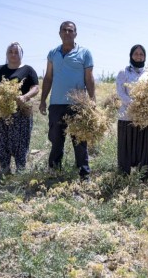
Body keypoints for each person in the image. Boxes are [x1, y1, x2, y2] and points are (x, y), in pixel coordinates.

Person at [39, 21, 95, 181]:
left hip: (78, 104)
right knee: (56, 139)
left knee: (79, 139)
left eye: (70, 30)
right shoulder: (53, 53)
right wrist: (43, 100)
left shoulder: (85, 53)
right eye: (64, 30)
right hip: (56, 104)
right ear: (59, 33)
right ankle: (54, 171)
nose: (67, 33)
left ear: (76, 34)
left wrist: (92, 100)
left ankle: (84, 175)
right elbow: (48, 77)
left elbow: (89, 78)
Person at [0, 42, 39, 174]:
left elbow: (35, 88)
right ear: (6, 54)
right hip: (0, 110)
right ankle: (5, 167)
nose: (13, 54)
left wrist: (25, 97)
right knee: (1, 138)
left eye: (16, 52)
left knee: (21, 140)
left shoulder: (28, 70)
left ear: (21, 54)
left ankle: (20, 168)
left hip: (21, 111)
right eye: (10, 52)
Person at [116, 44, 148, 182]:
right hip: (127, 116)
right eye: (136, 53)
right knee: (126, 147)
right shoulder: (123, 72)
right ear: (131, 56)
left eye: (141, 54)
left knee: (144, 148)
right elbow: (120, 93)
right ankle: (123, 178)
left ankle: (142, 178)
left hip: (146, 118)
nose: (139, 56)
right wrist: (135, 105)